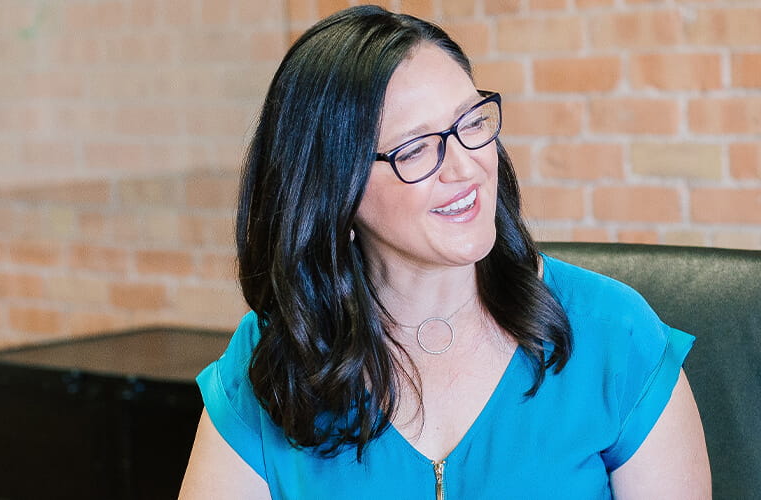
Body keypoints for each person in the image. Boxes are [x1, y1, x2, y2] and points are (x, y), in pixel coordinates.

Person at [177, 6, 710, 499]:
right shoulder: (273, 360)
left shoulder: (615, 335)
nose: (465, 168)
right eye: (416, 148)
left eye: (471, 123)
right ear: (334, 186)